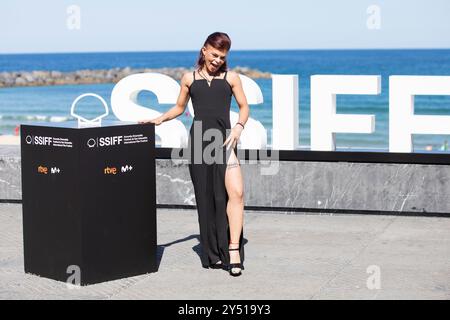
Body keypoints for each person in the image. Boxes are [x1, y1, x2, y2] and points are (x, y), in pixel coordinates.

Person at [139, 32, 249, 277]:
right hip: (199, 141)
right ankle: (212, 253)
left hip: (224, 141)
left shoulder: (231, 78)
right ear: (204, 50)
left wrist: (239, 127)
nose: (218, 60)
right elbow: (180, 107)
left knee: (236, 193)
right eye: (214, 54)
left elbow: (244, 107)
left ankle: (232, 250)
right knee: (207, 198)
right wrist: (158, 119)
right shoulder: (188, 78)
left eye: (222, 57)